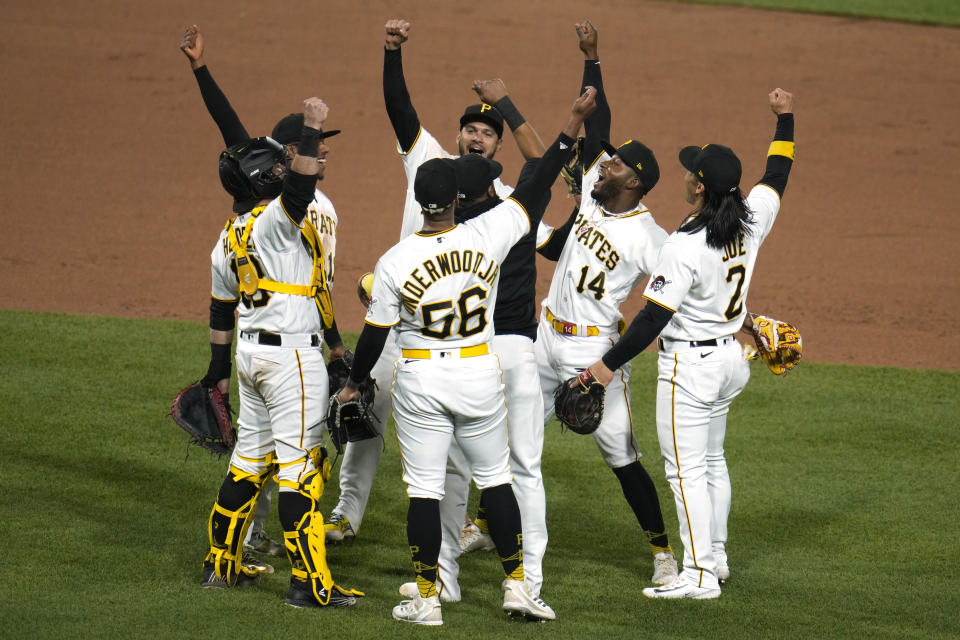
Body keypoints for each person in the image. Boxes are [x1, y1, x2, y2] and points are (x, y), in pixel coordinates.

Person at [334, 87, 598, 625]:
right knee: (497, 480)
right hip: (481, 371)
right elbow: (538, 181)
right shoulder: (488, 234)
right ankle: (519, 585)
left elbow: (373, 337)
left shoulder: (395, 259)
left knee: (426, 491)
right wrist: (570, 125)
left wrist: (356, 382)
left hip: (424, 382)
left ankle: (428, 598)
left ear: (421, 201)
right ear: (455, 198)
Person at [323, 17, 547, 561]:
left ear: (498, 147)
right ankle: (346, 513)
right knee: (362, 415)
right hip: (393, 328)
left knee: (454, 455)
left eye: (488, 133)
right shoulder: (429, 164)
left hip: (452, 345)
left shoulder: (508, 204)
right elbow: (399, 110)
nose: (476, 136)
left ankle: (449, 543)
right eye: (470, 128)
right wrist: (391, 52)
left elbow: (544, 169)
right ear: (458, 135)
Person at [585, 88, 797, 599]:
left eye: (691, 172)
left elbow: (651, 320)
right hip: (729, 361)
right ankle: (715, 557)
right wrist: (785, 119)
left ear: (700, 188)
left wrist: (605, 367)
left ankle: (699, 575)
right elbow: (777, 175)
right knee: (713, 461)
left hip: (691, 368)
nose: (685, 175)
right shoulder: (751, 217)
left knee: (684, 473)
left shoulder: (684, 245)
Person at [179, 25, 347, 558]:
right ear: (293, 154)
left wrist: (217, 371)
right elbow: (239, 139)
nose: (325, 155)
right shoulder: (290, 211)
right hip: (291, 348)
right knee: (299, 458)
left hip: (267, 341)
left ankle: (230, 553)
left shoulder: (239, 231)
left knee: (256, 454)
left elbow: (234, 139)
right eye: (317, 147)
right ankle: (306, 573)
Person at [199, 99, 362, 608]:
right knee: (299, 468)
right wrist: (311, 128)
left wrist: (217, 374)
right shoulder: (276, 222)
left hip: (250, 359)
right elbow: (297, 191)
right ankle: (309, 584)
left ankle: (220, 564)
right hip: (292, 362)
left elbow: (220, 312)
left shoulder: (227, 238)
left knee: (247, 463)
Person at [534, 20, 679, 587]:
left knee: (621, 458)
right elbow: (600, 121)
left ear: (635, 182)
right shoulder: (596, 183)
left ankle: (662, 553)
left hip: (592, 355)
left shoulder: (651, 239)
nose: (604, 164)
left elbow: (666, 305)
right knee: (508, 438)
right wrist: (592, 59)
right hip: (544, 338)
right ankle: (483, 522)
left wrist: (603, 371)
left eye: (617, 165)